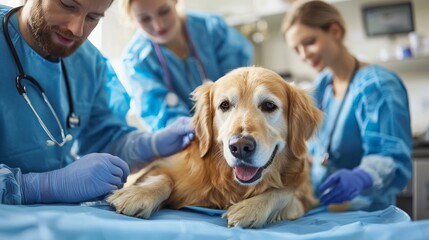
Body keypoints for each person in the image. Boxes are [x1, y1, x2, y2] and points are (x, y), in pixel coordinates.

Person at [0, 0, 195, 205]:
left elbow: (103, 140)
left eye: (93, 18)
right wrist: (39, 187)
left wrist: (152, 144)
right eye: (68, 5)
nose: (76, 29)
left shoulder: (87, 62)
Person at [282, 0, 412, 211]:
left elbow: (390, 156)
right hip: (321, 207)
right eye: (296, 49)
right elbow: (317, 145)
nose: (304, 55)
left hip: (365, 211)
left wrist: (360, 177)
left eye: (309, 42)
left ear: (335, 31)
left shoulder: (377, 86)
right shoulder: (323, 85)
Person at [119, 0, 254, 131]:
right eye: (145, 19)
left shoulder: (212, 28)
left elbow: (241, 82)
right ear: (133, 20)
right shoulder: (135, 61)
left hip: (235, 125)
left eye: (164, 11)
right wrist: (195, 133)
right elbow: (161, 115)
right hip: (187, 141)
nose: (158, 25)